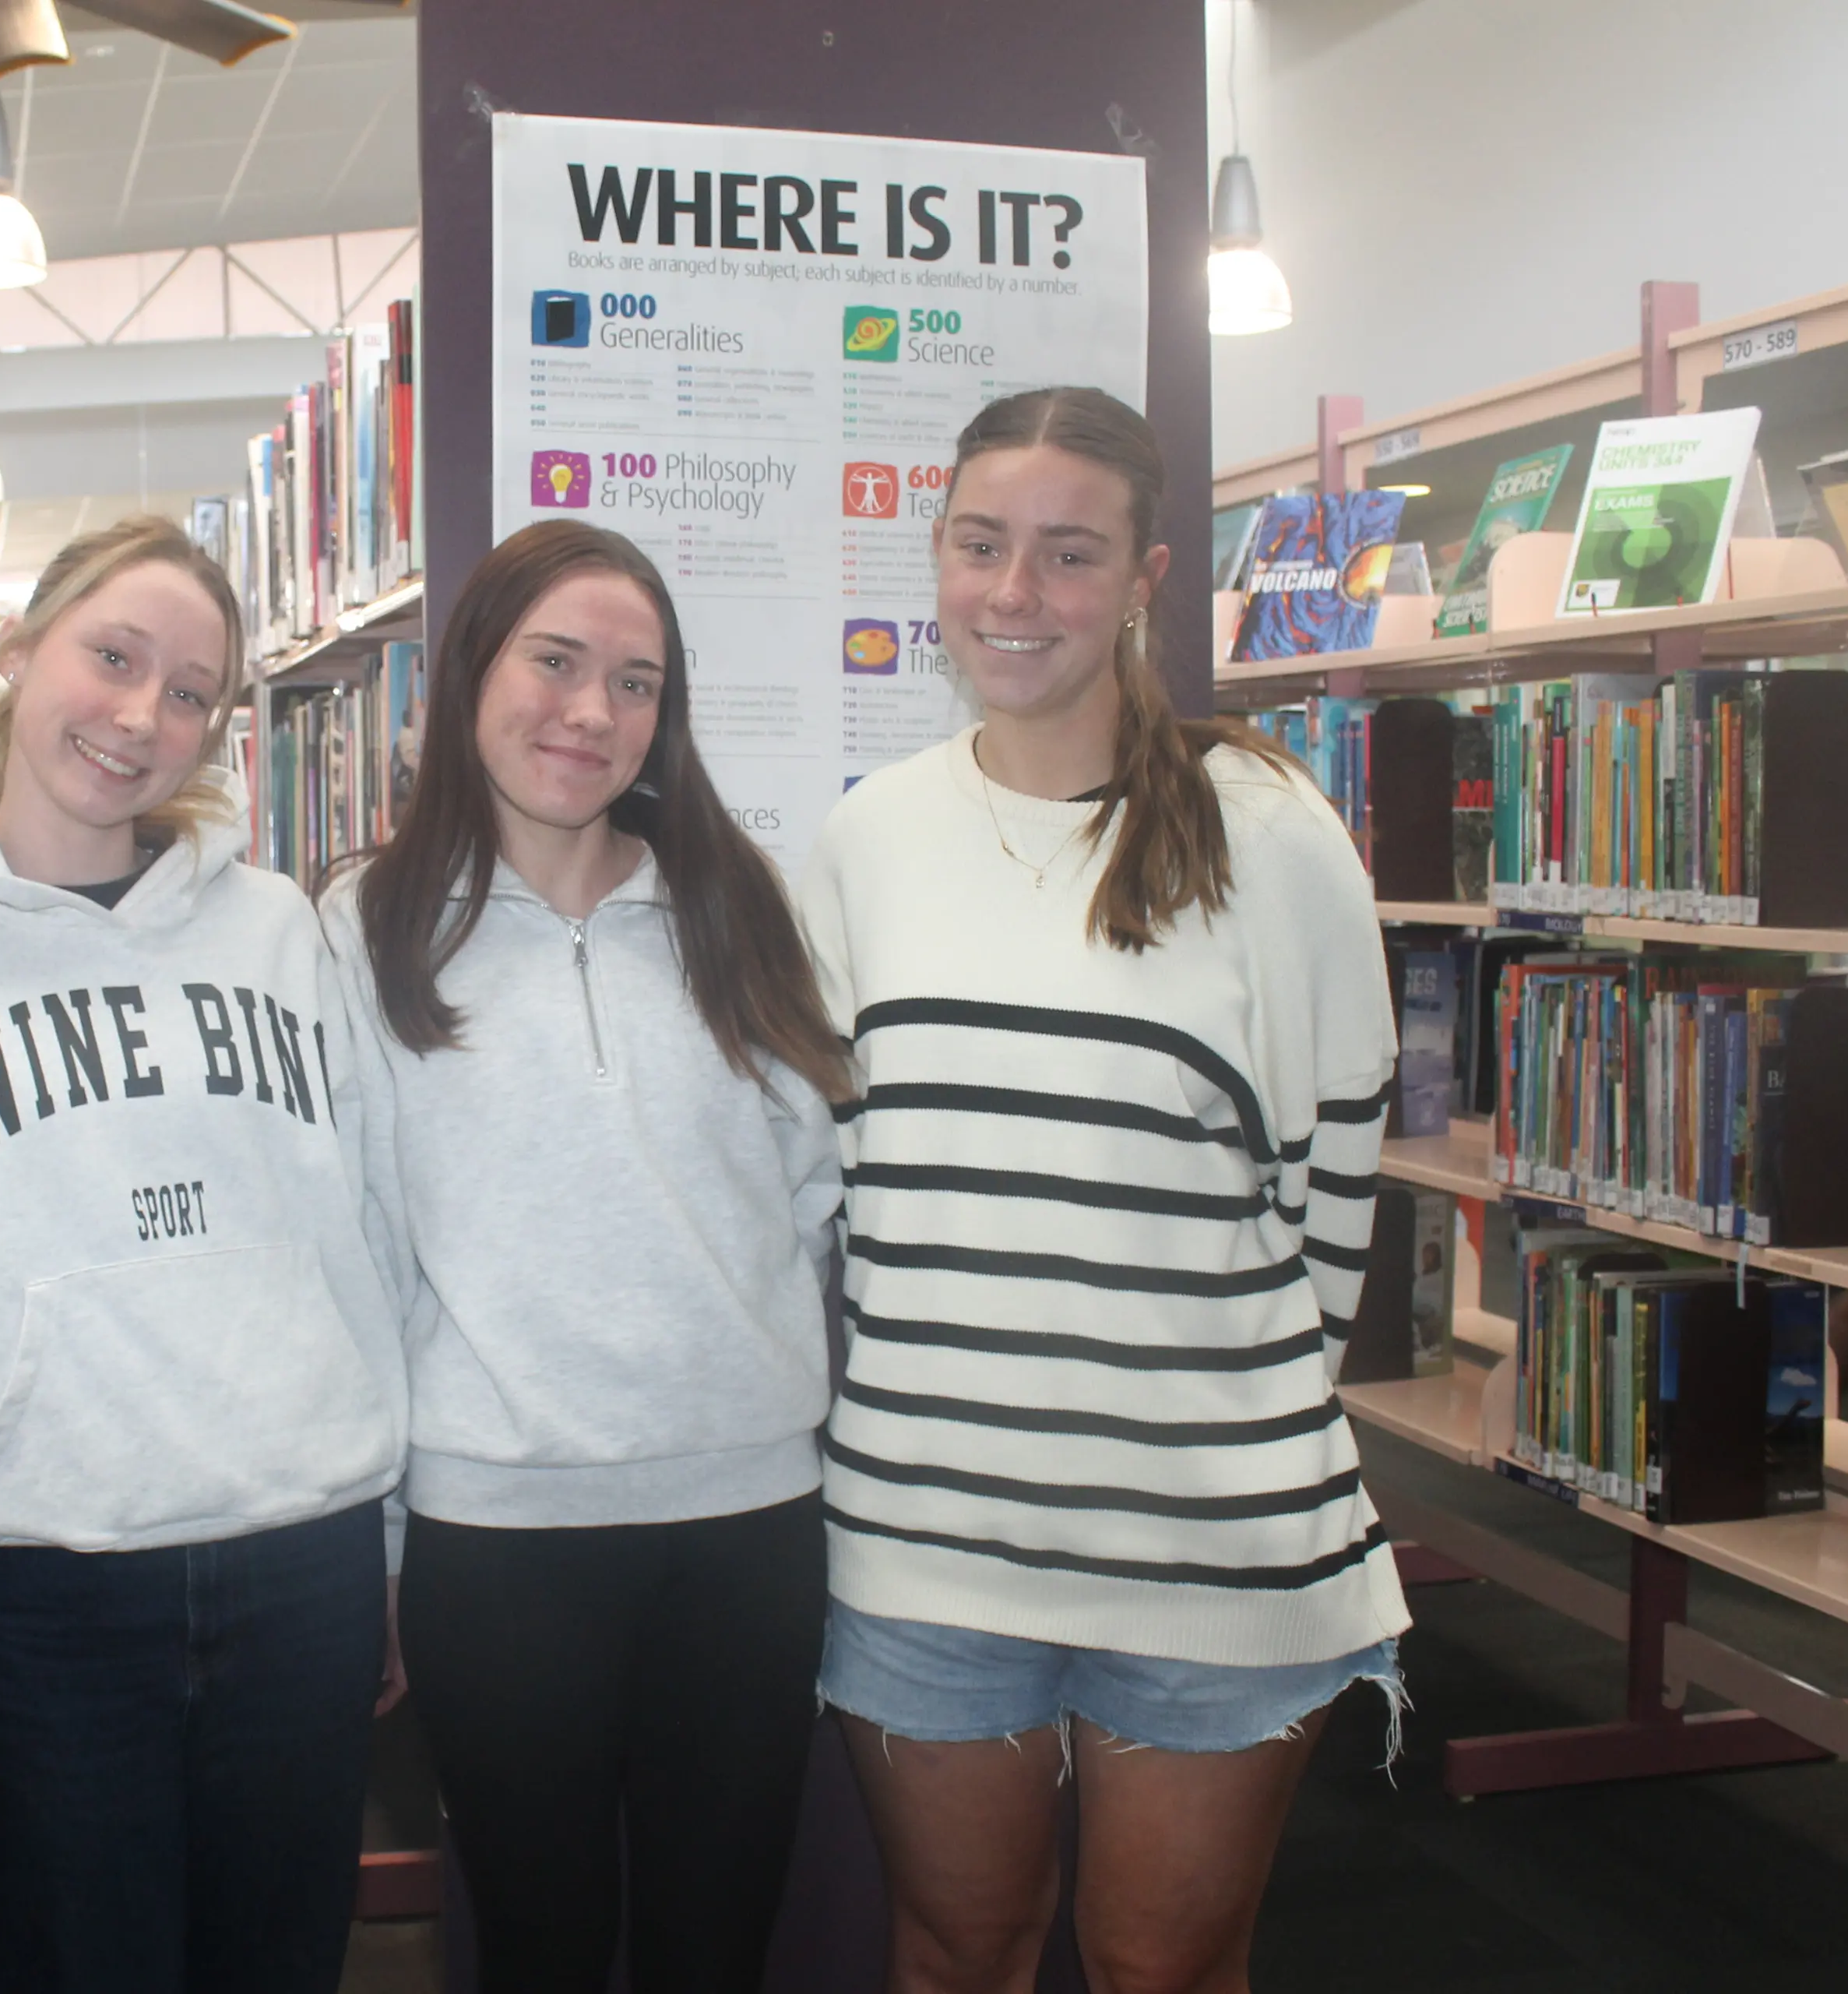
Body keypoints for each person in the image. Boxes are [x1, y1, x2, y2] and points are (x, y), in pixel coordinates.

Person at [796, 387, 1407, 1994]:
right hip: (927, 1536)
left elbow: (1332, 1198)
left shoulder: (1270, 836)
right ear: (934, 555)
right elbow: (856, 1191)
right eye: (983, 545)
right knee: (958, 1951)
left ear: (1143, 575)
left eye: (1069, 554)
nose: (1016, 594)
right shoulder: (868, 841)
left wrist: (1200, 1408)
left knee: (1163, 1968)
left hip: (1214, 1539)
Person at [0, 516, 407, 1994]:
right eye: (111, 658)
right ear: (20, 652)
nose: (141, 718)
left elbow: (356, 1237)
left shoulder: (275, 934)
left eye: (189, 691)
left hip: (301, 1566)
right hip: (50, 1603)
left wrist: (382, 1550)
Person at [327, 519, 848, 1993]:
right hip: (497, 1548)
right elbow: (359, 1260)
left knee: (714, 1947)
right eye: (556, 662)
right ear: (470, 668)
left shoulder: (741, 909)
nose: (592, 713)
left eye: (636, 683)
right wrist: (377, 1555)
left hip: (746, 1533)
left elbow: (811, 1200)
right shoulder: (358, 932)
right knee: (540, 1948)